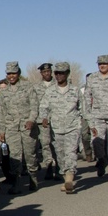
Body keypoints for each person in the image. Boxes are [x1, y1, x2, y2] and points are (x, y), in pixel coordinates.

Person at [0, 62, 40, 195]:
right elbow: (2, 111)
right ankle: (16, 182)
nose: (11, 76)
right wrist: (2, 130)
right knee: (14, 155)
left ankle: (33, 176)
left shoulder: (28, 87)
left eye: (13, 73)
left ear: (18, 74)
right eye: (9, 74)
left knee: (29, 153)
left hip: (27, 126)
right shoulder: (4, 91)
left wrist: (31, 120)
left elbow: (34, 105)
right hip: (11, 127)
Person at [40, 62, 84, 193]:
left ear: (67, 74)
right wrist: (44, 117)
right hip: (56, 128)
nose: (59, 75)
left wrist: (88, 123)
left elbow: (83, 108)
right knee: (60, 155)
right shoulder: (50, 91)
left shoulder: (75, 90)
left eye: (62, 73)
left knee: (70, 152)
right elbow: (43, 107)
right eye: (57, 73)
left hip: (72, 126)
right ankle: (66, 178)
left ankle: (70, 177)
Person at [33, 63, 57, 179]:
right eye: (44, 72)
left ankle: (58, 167)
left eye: (48, 71)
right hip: (42, 121)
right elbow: (34, 103)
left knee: (57, 144)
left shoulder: (58, 84)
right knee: (45, 144)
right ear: (41, 73)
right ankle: (48, 166)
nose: (47, 73)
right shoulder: (36, 87)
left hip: (57, 119)